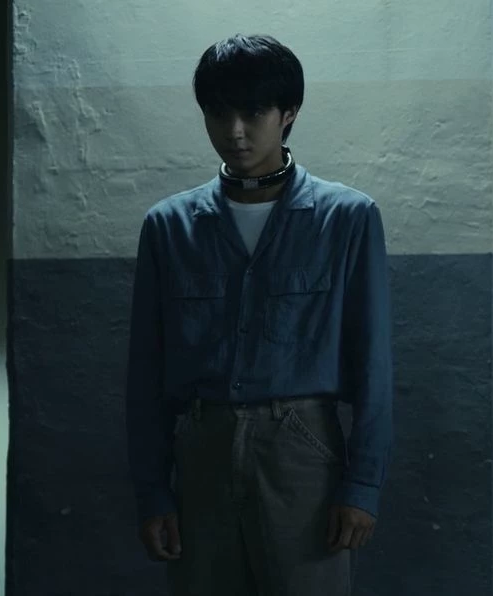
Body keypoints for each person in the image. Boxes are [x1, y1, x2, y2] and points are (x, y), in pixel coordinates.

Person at [125, 33, 394, 596]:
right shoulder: (168, 226)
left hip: (302, 446)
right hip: (201, 446)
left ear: (288, 113)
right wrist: (153, 491)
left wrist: (363, 485)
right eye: (219, 114)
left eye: (253, 113)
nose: (235, 131)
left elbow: (373, 362)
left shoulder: (346, 218)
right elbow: (145, 374)